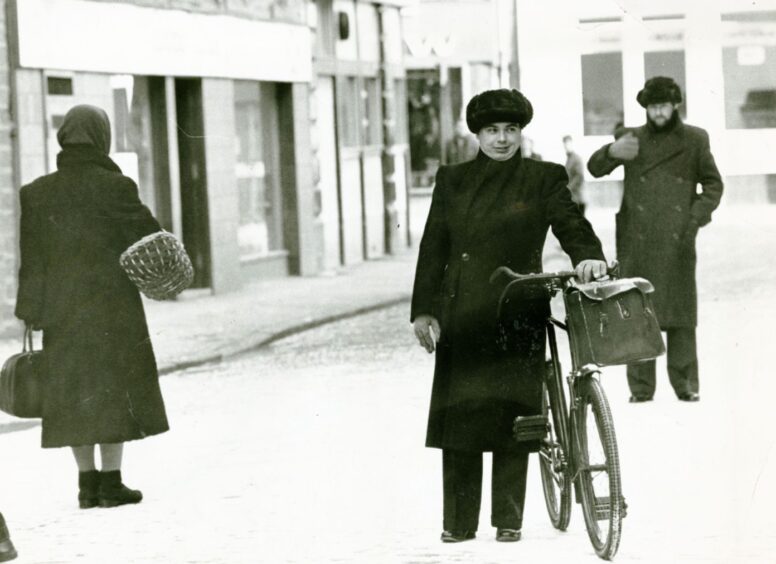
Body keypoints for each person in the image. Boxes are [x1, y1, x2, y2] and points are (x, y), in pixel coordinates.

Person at [411, 88, 607, 543]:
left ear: (521, 132)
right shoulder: (452, 180)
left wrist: (589, 257)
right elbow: (433, 247)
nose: (502, 139)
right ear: (476, 134)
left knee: (514, 415)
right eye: (492, 130)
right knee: (460, 417)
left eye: (511, 130)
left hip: (520, 307)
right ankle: (457, 525)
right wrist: (424, 311)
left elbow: (570, 223)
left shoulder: (543, 177)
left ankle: (509, 521)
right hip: (461, 313)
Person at [15, 105, 170, 509]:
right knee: (115, 390)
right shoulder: (116, 187)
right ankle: (112, 483)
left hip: (62, 312)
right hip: (112, 308)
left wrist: (30, 311)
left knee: (72, 395)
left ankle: (86, 484)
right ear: (102, 139)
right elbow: (150, 235)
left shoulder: (35, 193)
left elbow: (30, 260)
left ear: (63, 138)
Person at [587, 76, 723, 403]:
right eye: (652, 106)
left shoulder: (695, 139)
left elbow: (713, 186)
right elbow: (595, 168)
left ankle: (685, 384)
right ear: (646, 108)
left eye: (663, 105)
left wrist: (693, 220)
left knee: (680, 314)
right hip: (638, 238)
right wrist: (610, 150)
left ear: (675, 105)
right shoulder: (630, 139)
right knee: (637, 312)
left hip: (678, 237)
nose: (658, 112)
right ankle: (641, 389)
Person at [562, 135, 586, 214]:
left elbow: (579, 176)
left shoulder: (576, 159)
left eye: (568, 144)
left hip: (578, 198)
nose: (566, 147)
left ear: (572, 144)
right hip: (572, 199)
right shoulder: (568, 159)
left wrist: (569, 188)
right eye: (565, 144)